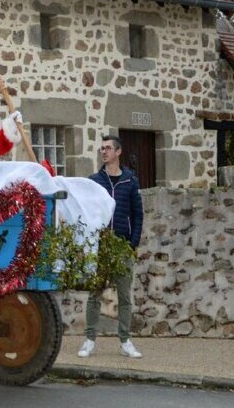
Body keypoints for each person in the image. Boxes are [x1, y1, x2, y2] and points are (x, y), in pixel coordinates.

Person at [81, 134, 145, 359]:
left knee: (125, 296)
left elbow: (138, 215)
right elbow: (87, 212)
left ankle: (125, 341)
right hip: (100, 245)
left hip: (122, 245)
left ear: (118, 152)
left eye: (108, 148)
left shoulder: (130, 180)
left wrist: (132, 244)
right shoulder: (94, 180)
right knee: (94, 294)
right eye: (102, 148)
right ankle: (89, 340)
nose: (103, 152)